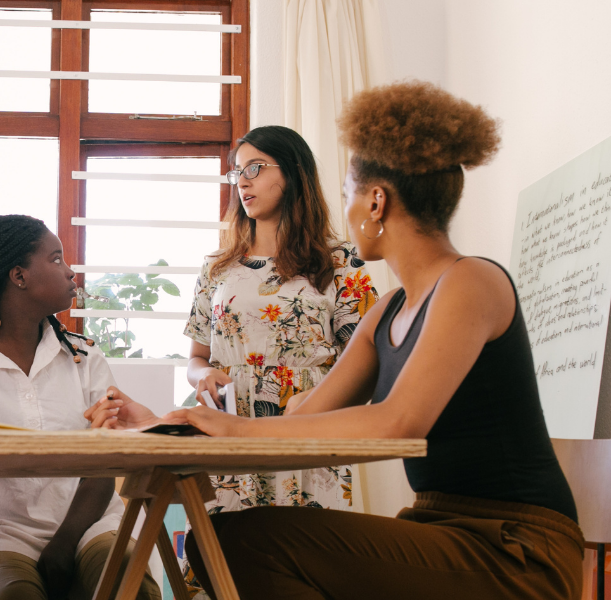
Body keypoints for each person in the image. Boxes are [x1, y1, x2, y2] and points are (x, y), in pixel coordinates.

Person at [88, 81, 582, 599]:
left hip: (516, 548)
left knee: (245, 546)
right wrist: (163, 429)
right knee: (222, 543)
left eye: (347, 195)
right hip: (440, 527)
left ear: (376, 201)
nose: (343, 210)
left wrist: (230, 430)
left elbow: (399, 422)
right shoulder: (388, 312)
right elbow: (301, 423)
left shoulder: (470, 281)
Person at [0, 215, 160, 600]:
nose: (70, 272)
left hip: (90, 528)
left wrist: (66, 542)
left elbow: (103, 469)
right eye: (56, 259)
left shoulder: (84, 356)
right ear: (19, 276)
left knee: (129, 586)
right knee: (12, 595)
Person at [185, 125, 376, 514]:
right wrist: (201, 376)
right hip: (228, 425)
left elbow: (367, 362)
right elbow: (196, 358)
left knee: (309, 551)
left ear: (291, 174)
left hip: (308, 420)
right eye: (237, 172)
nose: (243, 181)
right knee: (224, 552)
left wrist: (318, 399)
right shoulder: (216, 268)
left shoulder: (341, 262)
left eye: (255, 168)